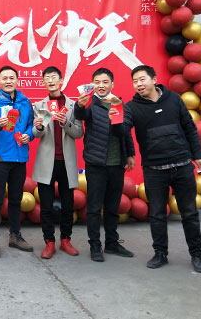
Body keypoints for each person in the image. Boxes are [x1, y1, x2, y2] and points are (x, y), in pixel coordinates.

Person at [123, 65, 201, 273]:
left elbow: (189, 127)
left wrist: (197, 155)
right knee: (157, 214)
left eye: (142, 79)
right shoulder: (131, 107)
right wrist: (115, 119)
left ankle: (197, 254)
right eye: (135, 81)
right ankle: (160, 253)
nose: (138, 84)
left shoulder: (174, 99)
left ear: (154, 80)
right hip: (154, 169)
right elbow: (123, 129)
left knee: (189, 213)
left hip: (182, 165)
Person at [74, 67, 136, 262]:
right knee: (94, 207)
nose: (101, 86)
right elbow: (80, 116)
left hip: (117, 163)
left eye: (105, 82)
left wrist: (130, 154)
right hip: (96, 163)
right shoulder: (90, 103)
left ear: (112, 84)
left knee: (112, 206)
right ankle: (95, 245)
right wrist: (79, 106)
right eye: (97, 82)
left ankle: (112, 243)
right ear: (92, 84)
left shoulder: (119, 103)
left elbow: (125, 131)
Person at [32, 66, 83, 259]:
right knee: (45, 205)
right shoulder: (39, 105)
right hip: (46, 161)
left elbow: (79, 133)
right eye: (47, 78)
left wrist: (65, 123)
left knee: (67, 204)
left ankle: (66, 240)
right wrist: (38, 127)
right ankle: (49, 242)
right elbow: (36, 134)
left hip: (66, 162)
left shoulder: (73, 105)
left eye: (54, 77)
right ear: (43, 82)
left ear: (61, 80)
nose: (50, 80)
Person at [0, 66, 33, 259]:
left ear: (17, 80)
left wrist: (29, 135)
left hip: (20, 157)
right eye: (4, 78)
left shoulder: (25, 101)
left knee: (15, 199)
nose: (8, 81)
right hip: (0, 158)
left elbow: (31, 125)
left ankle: (15, 236)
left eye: (12, 78)